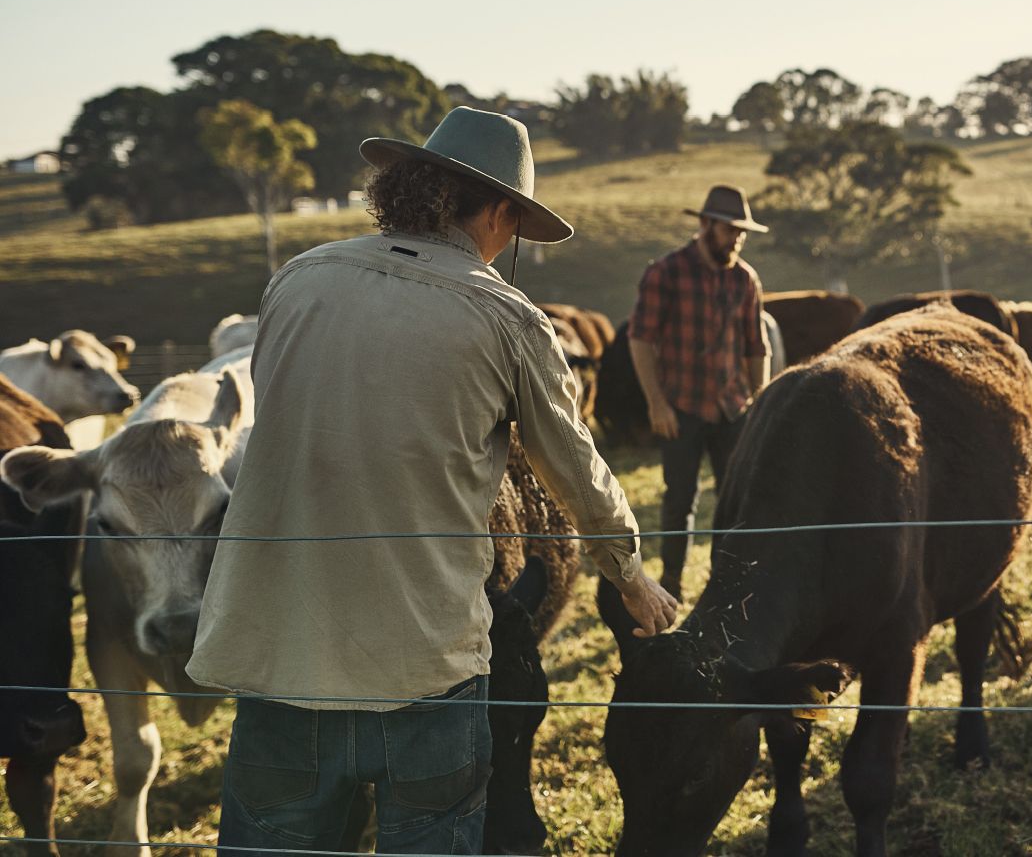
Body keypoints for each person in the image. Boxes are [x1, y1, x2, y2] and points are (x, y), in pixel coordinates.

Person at [187, 107, 677, 854]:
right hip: (425, 669)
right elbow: (572, 467)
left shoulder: (296, 281)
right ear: (501, 210)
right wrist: (630, 574)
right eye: (513, 226)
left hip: (278, 655)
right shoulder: (506, 318)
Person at [628, 184, 769, 600]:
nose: (737, 239)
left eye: (742, 232)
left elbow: (755, 346)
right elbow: (640, 339)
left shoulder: (745, 278)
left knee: (735, 500)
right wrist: (657, 403)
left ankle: (726, 582)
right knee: (680, 499)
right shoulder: (666, 272)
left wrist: (759, 403)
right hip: (681, 407)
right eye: (730, 230)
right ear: (705, 225)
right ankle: (672, 580)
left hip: (731, 410)